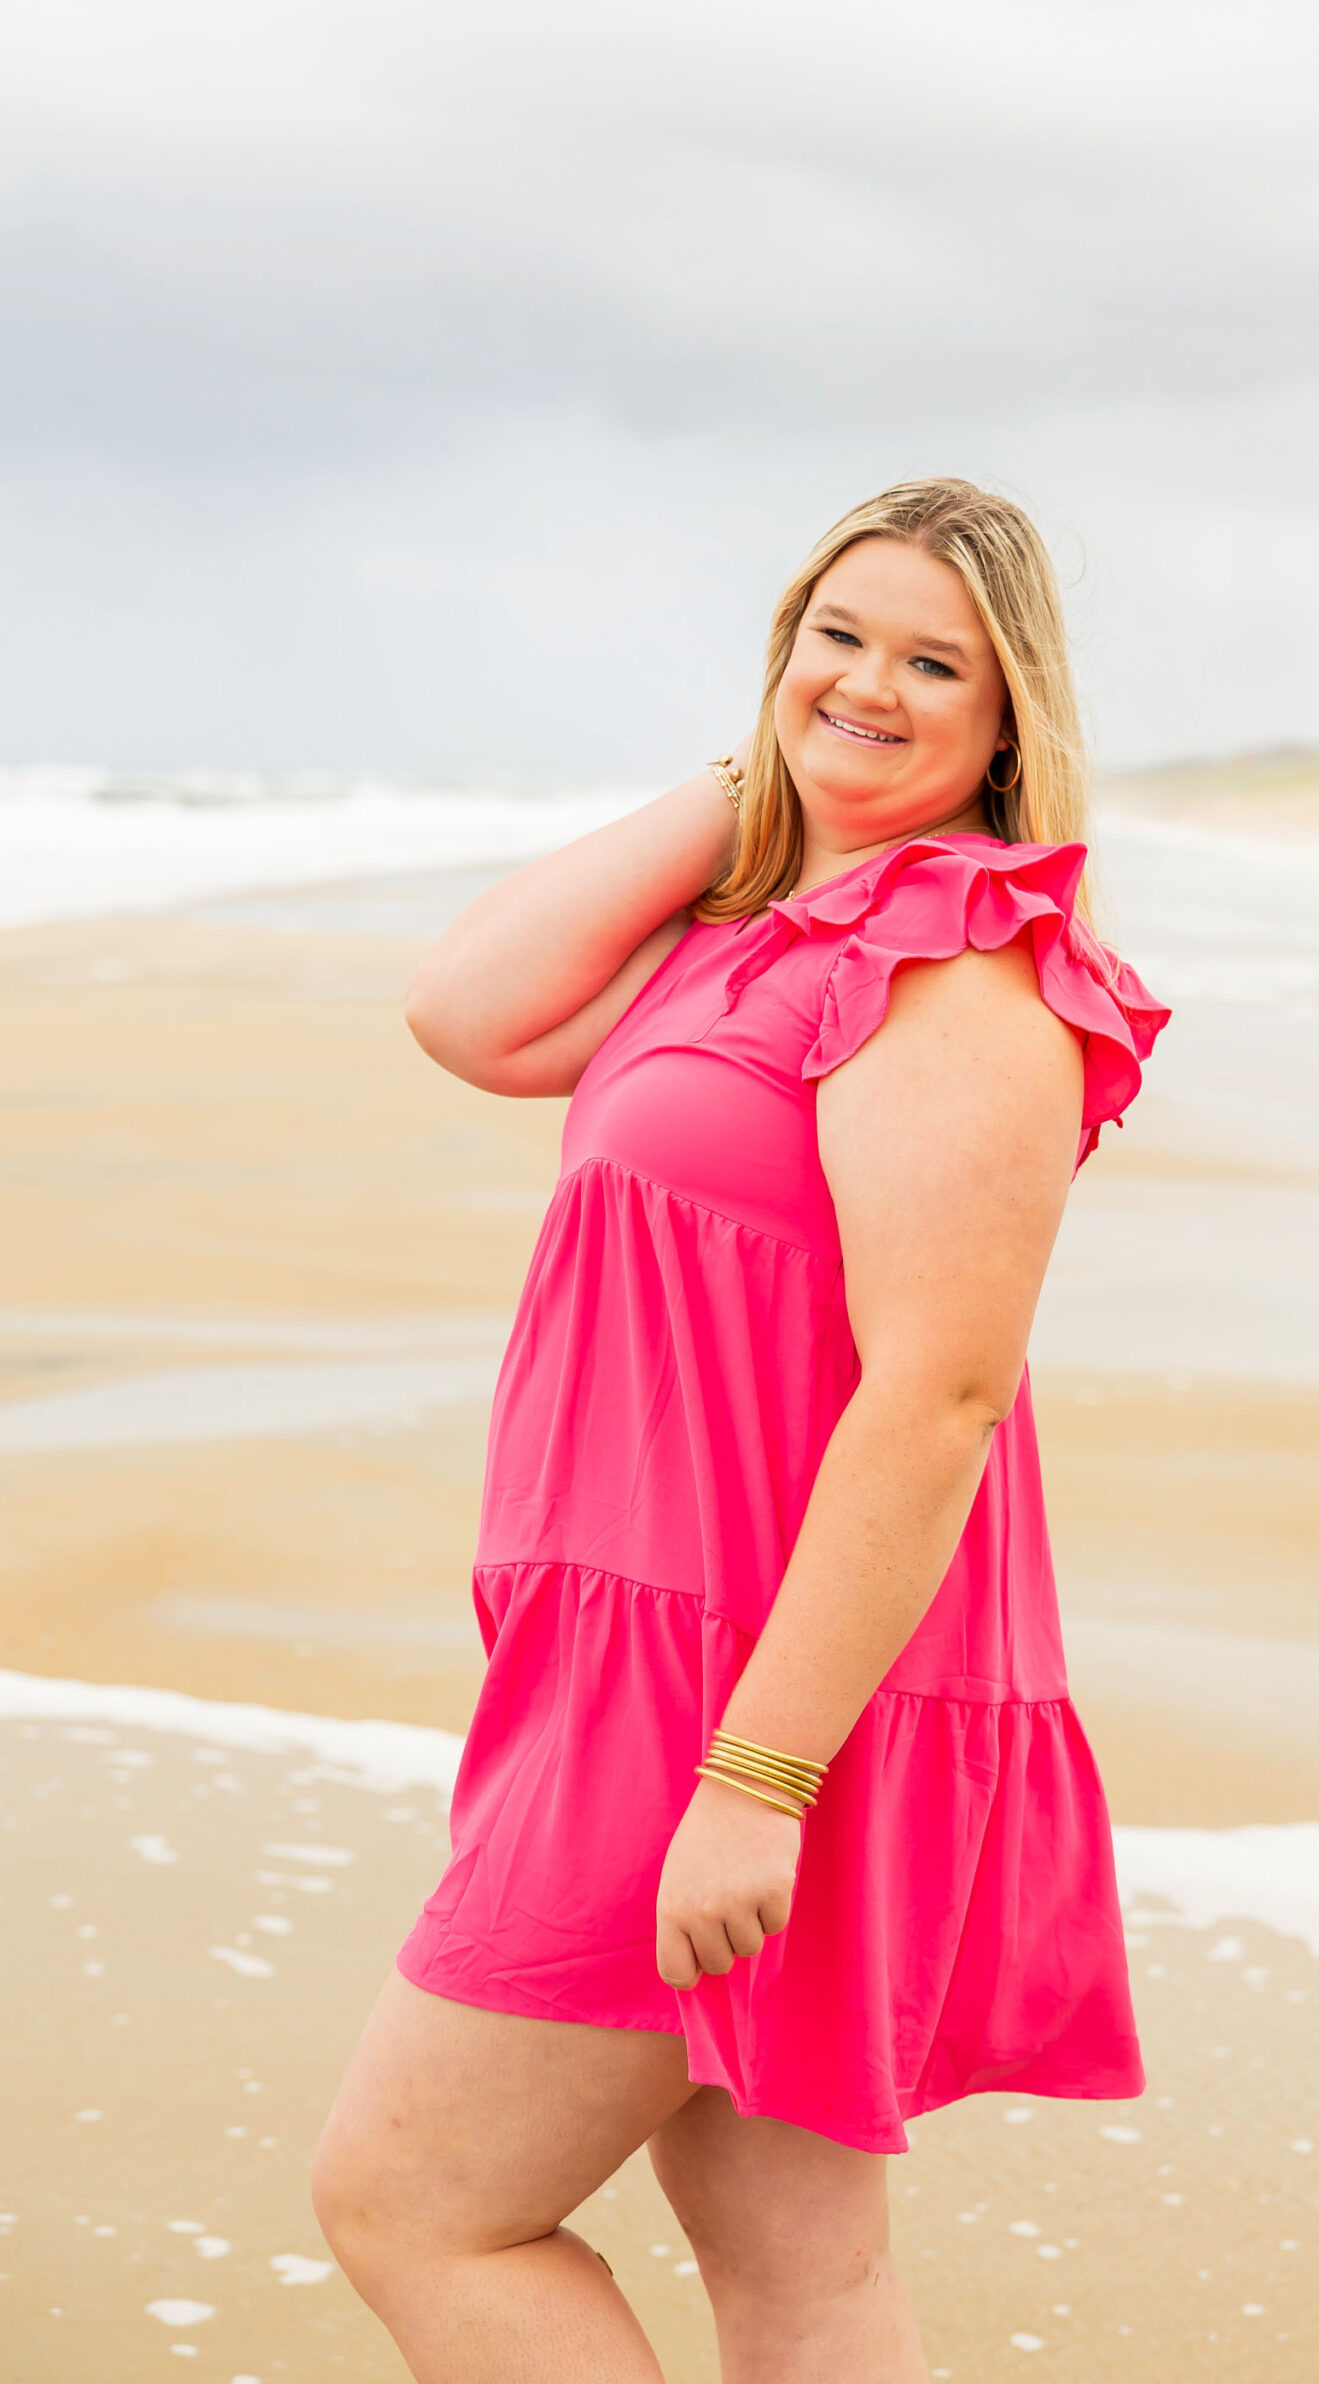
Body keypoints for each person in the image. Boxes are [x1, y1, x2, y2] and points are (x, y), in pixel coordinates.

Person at [311, 478, 1169, 2383]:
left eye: (931, 664)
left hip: (738, 1694)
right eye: (835, 636)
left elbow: (941, 1396)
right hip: (684, 1662)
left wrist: (756, 1781)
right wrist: (766, 772)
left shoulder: (952, 961)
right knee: (803, 2272)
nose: (868, 683)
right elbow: (469, 1010)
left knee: (420, 2207)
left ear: (1008, 720)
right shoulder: (762, 929)